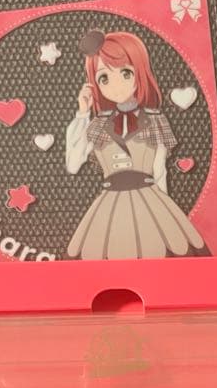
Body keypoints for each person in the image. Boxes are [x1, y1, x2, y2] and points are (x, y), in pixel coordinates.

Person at [65, 29, 209, 260]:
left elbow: (160, 170)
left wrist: (166, 212)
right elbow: (73, 165)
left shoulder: (154, 119)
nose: (116, 85)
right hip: (109, 204)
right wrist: (82, 113)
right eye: (104, 78)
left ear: (140, 73)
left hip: (150, 199)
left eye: (125, 73)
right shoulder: (97, 124)